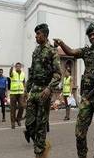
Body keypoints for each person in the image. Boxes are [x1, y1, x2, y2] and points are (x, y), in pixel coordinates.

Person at [54, 23, 94, 158]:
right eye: (90, 35)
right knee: (80, 132)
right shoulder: (86, 51)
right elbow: (70, 52)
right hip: (87, 97)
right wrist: (61, 43)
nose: (92, 37)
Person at [23, 23, 62, 158]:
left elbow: (58, 74)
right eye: (36, 34)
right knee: (29, 124)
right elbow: (32, 72)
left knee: (41, 125)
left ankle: (40, 153)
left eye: (38, 33)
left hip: (44, 92)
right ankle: (43, 146)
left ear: (45, 35)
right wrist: (26, 90)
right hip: (34, 91)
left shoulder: (52, 51)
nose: (36, 36)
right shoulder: (36, 51)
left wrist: (49, 88)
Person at [9, 62, 26, 129]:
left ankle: (18, 119)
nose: (18, 67)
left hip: (21, 93)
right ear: (15, 67)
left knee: (22, 106)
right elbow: (10, 74)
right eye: (17, 66)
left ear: (21, 67)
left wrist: (25, 91)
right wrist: (11, 68)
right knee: (13, 108)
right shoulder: (13, 72)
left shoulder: (23, 73)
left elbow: (24, 82)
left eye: (19, 66)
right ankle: (13, 122)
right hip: (13, 93)